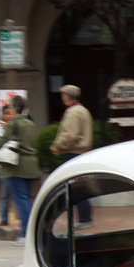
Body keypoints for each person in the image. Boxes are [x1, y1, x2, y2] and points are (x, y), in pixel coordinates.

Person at [0, 96, 39, 245]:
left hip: (16, 165)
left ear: (14, 108)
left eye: (10, 106)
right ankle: (33, 233)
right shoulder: (29, 123)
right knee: (27, 200)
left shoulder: (14, 123)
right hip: (31, 164)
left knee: (21, 201)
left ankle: (26, 235)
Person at [50, 84, 94, 227]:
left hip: (73, 152)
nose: (62, 97)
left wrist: (58, 145)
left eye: (63, 94)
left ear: (67, 96)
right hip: (81, 152)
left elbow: (70, 134)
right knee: (80, 186)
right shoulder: (83, 110)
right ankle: (85, 217)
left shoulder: (73, 112)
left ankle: (85, 219)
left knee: (76, 187)